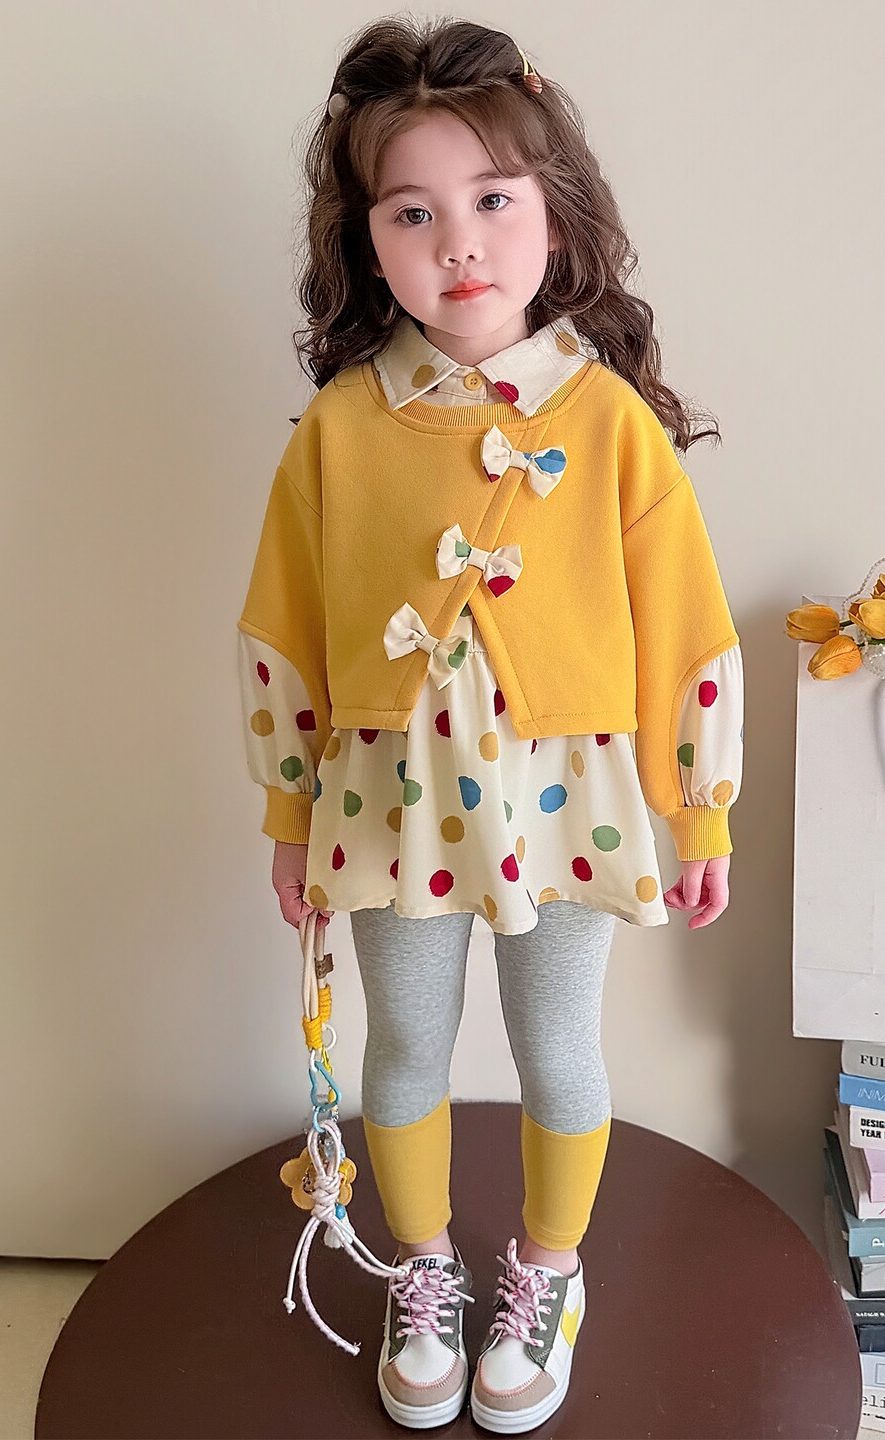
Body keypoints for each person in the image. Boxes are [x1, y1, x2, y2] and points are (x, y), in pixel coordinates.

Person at [237, 17, 743, 1432]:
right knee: (404, 1047)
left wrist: (698, 811)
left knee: (558, 1047)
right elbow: (282, 634)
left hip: (568, 793)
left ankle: (550, 1274)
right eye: (413, 212)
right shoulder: (340, 430)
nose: (458, 243)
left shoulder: (612, 425)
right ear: (367, 244)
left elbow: (686, 631)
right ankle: (424, 1269)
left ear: (555, 213)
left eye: (493, 199)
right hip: (390, 795)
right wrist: (289, 817)